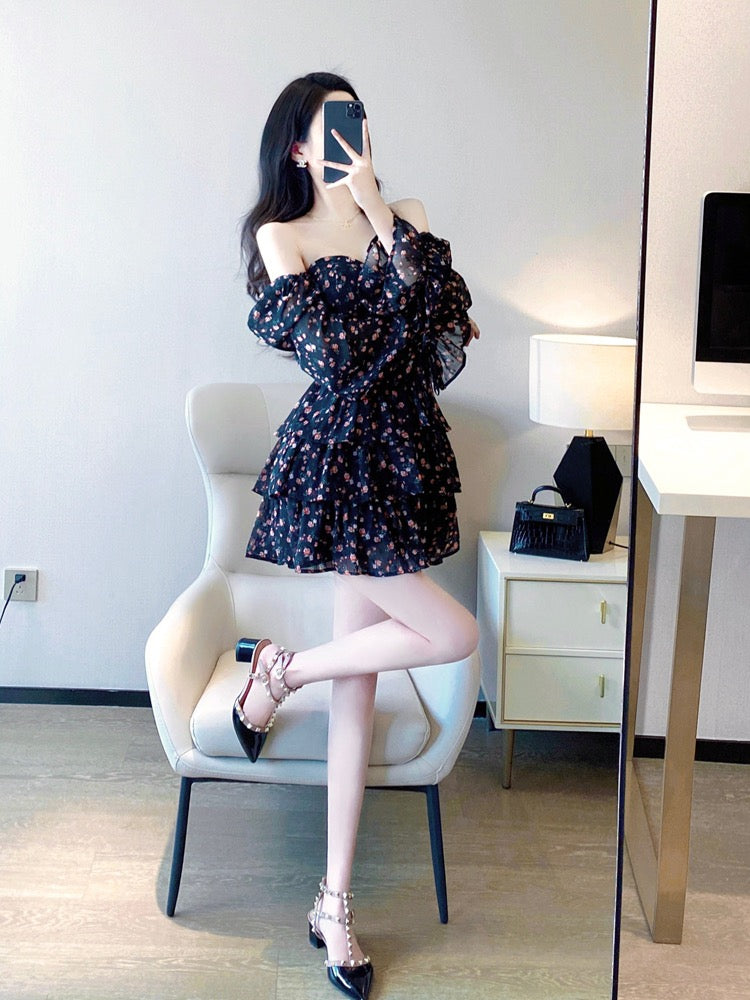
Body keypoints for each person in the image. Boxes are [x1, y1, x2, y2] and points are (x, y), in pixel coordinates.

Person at [237, 71, 479, 1000]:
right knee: (451, 633)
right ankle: (282, 673)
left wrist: (378, 209)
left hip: (404, 458)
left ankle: (332, 903)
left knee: (359, 687)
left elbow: (450, 318)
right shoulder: (283, 234)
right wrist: (396, 305)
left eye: (358, 119)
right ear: (299, 147)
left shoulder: (403, 216)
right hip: (340, 464)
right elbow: (334, 360)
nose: (350, 134)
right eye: (329, 124)